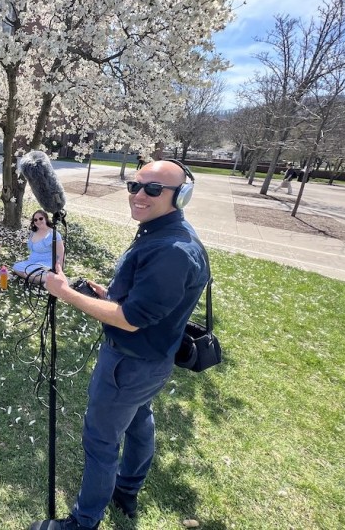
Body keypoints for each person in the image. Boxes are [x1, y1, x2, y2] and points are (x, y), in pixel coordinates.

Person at [30, 160, 210, 530]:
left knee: (101, 441)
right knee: (139, 421)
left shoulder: (172, 250)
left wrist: (66, 294)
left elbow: (130, 319)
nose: (139, 194)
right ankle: (126, 489)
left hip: (129, 364)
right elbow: (143, 298)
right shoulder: (161, 232)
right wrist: (107, 293)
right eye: (135, 185)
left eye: (154, 189)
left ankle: (84, 522)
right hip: (149, 361)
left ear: (182, 196)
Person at [0, 209, 64, 285]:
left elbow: (61, 253)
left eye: (41, 218)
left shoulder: (53, 234)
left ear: (46, 219)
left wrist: (59, 270)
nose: (38, 221)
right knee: (16, 267)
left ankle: (50, 278)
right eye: (35, 220)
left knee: (29, 272)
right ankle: (33, 278)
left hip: (46, 264)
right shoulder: (33, 232)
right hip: (31, 262)